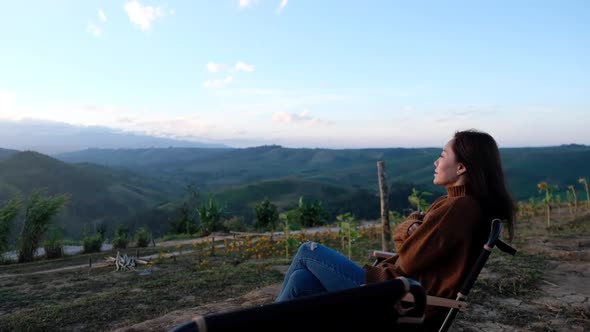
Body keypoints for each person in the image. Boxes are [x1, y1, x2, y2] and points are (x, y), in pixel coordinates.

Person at [274, 129, 516, 328]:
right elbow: (408, 233)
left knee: (308, 250)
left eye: (442, 155)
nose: (436, 161)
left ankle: (260, 324)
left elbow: (408, 257)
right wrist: (414, 228)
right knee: (300, 280)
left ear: (461, 167)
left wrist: (414, 229)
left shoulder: (461, 208)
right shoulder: (454, 203)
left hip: (399, 301)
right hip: (397, 290)